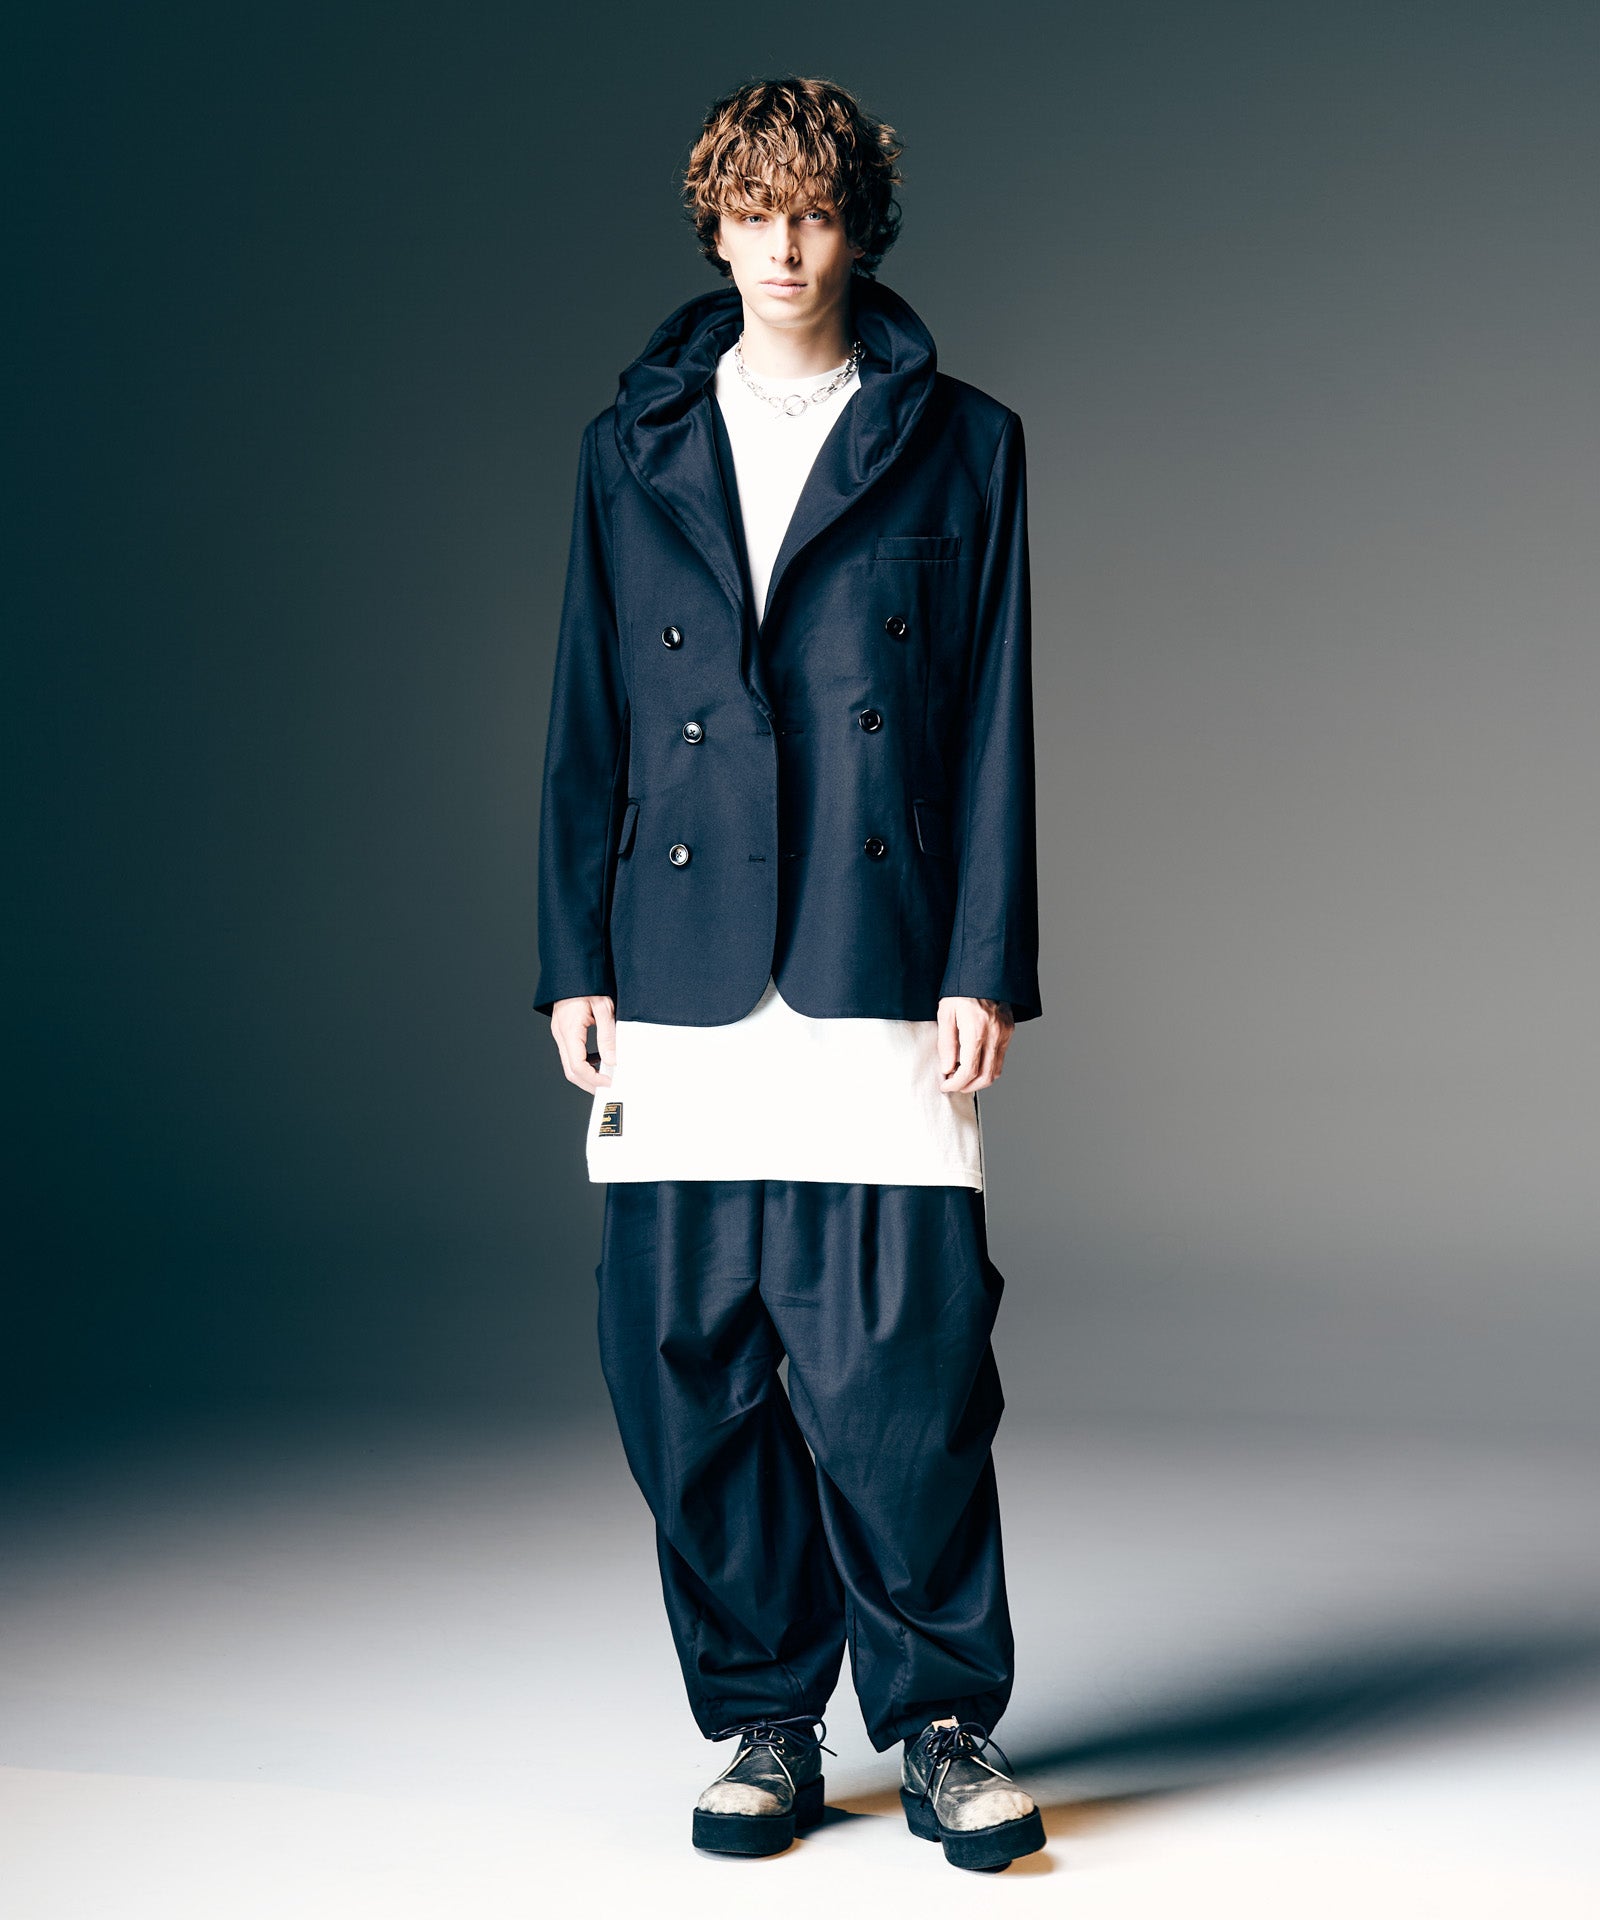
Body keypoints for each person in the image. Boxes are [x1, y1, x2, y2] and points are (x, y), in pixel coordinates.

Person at [534, 74, 1043, 1872]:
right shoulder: (631, 443)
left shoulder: (965, 442)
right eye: (754, 212)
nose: (783, 247)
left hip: (876, 946)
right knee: (682, 1370)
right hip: (672, 956)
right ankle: (765, 1715)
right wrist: (570, 953)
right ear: (715, 224)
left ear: (858, 228)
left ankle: (943, 1723)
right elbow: (589, 707)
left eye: (815, 212)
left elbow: (993, 722)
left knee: (905, 1375)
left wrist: (986, 959)